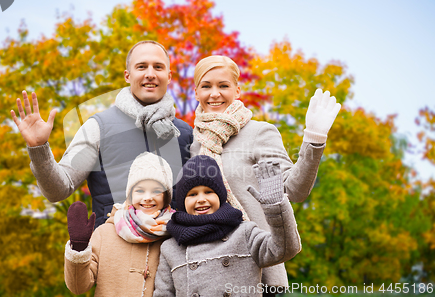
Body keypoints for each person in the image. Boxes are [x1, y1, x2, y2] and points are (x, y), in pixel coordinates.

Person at [190, 55, 341, 294]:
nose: (215, 93)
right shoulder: (195, 145)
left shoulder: (259, 132)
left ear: (237, 90)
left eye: (223, 85)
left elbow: (295, 190)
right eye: (206, 86)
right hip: (210, 277)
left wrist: (314, 139)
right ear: (196, 92)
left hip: (259, 271)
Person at [10, 40, 193, 228]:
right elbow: (58, 190)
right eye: (141, 66)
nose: (150, 74)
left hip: (172, 252)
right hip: (113, 250)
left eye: (158, 67)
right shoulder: (98, 128)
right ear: (127, 75)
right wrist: (39, 149)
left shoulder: (185, 134)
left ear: (169, 76)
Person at [153, 155, 301, 296]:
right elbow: (163, 294)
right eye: (192, 194)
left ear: (221, 196)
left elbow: (285, 249)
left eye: (208, 191)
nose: (201, 199)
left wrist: (276, 208)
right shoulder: (170, 248)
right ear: (182, 202)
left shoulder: (244, 232)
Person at [65, 152, 175, 297]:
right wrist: (79, 248)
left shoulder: (174, 235)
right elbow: (78, 287)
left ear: (166, 196)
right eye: (140, 190)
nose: (148, 198)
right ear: (130, 194)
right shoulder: (104, 234)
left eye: (156, 191)